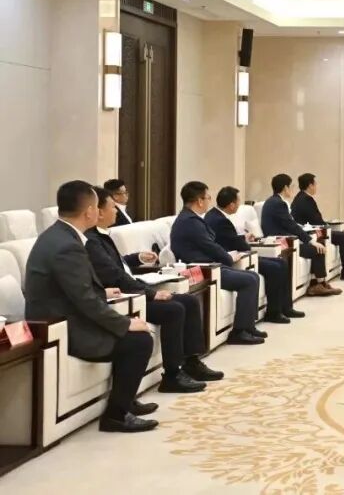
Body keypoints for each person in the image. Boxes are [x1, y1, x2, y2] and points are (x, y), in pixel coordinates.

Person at [23, 181, 157, 432]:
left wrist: (102, 293)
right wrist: (125, 323)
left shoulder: (58, 236)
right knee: (139, 341)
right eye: (97, 206)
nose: (100, 211)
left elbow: (72, 288)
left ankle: (125, 402)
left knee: (134, 333)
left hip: (67, 315)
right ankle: (116, 416)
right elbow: (84, 300)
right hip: (64, 328)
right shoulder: (66, 246)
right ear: (89, 212)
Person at [85, 186, 222, 393]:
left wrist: (136, 257)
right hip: (125, 297)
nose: (116, 211)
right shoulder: (92, 240)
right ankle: (172, 375)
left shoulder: (102, 235)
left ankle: (192, 361)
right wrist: (152, 293)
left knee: (189, 301)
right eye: (112, 207)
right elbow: (114, 275)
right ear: (99, 212)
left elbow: (116, 264)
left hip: (133, 288)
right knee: (174, 309)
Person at [170, 181, 266, 345]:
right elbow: (210, 246)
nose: (209, 201)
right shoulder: (190, 222)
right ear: (199, 201)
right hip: (203, 270)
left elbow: (209, 245)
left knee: (253, 276)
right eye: (208, 197)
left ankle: (248, 326)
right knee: (249, 280)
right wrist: (228, 258)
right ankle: (239, 332)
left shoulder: (189, 218)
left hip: (209, 265)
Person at [207, 186, 304, 323]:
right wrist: (248, 245)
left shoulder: (215, 215)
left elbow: (229, 238)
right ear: (231, 204)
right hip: (236, 258)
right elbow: (237, 244)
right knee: (275, 267)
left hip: (237, 253)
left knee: (281, 263)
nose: (239, 204)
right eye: (238, 201)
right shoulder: (220, 220)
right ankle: (274, 312)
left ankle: (285, 307)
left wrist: (244, 238)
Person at [261, 173, 342, 297]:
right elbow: (291, 225)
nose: (293, 189)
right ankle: (317, 285)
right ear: (285, 188)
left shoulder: (273, 201)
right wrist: (310, 240)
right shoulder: (278, 204)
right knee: (317, 249)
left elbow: (290, 223)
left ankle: (319, 283)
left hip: (286, 239)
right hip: (283, 243)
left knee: (316, 247)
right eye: (291, 186)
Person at [291, 173, 344, 281]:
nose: (316, 186)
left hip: (311, 230)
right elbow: (316, 221)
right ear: (310, 185)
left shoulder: (300, 197)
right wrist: (327, 226)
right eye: (315, 184)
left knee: (343, 236)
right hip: (313, 233)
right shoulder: (306, 200)